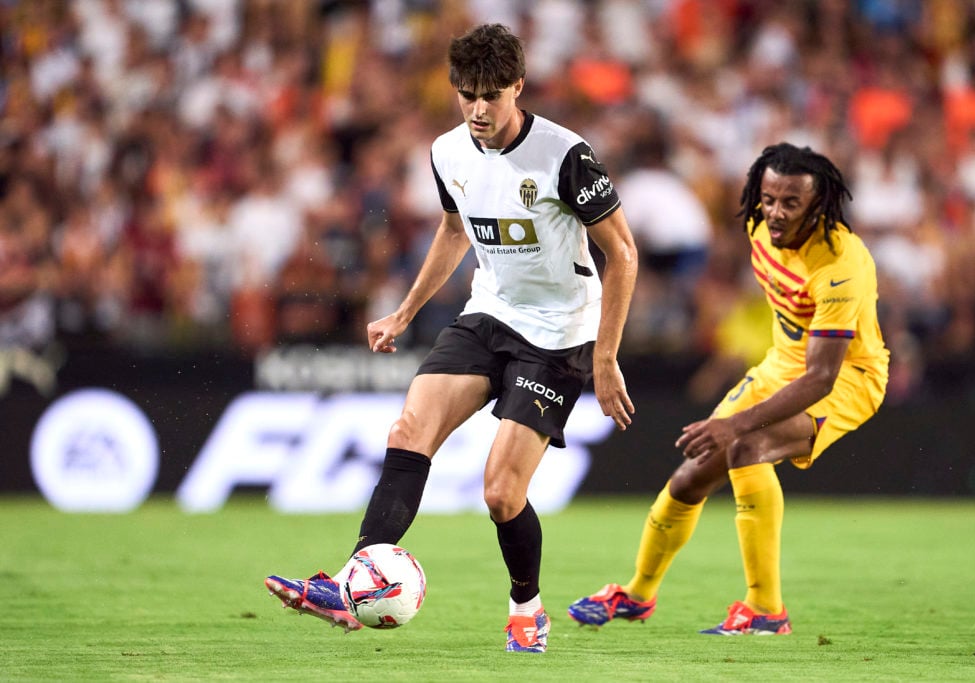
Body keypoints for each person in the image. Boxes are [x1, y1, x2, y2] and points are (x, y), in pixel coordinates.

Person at [265, 23, 638, 654]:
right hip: (489, 312)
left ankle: (527, 605)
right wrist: (407, 311)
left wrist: (605, 356)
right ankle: (352, 583)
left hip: (559, 333)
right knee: (408, 432)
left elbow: (623, 254)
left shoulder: (566, 156)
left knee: (500, 492)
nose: (478, 109)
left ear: (518, 87)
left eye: (492, 95)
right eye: (467, 94)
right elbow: (453, 231)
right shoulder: (448, 152)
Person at [568, 142, 889, 635]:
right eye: (769, 198)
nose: (776, 213)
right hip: (781, 365)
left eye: (791, 203)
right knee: (691, 476)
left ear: (819, 205)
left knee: (745, 446)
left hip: (848, 378)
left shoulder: (842, 265)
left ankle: (766, 609)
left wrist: (735, 421)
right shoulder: (759, 227)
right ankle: (636, 594)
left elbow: (822, 376)